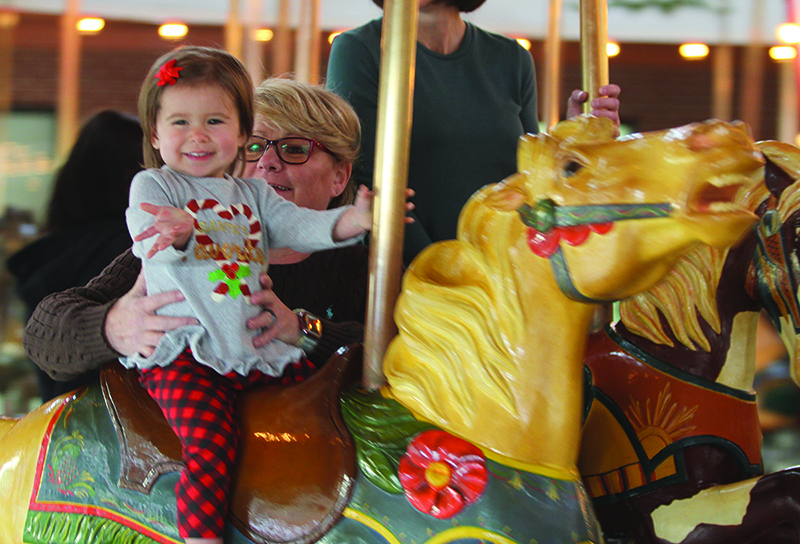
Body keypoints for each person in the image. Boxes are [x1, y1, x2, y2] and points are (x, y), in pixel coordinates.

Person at [127, 46, 380, 543]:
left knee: (330, 402)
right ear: (156, 135)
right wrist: (118, 315)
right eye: (180, 122)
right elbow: (146, 232)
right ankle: (201, 536)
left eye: (293, 148)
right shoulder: (156, 187)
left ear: (340, 176)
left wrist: (354, 221)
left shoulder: (252, 200)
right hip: (187, 354)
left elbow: (301, 227)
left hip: (252, 351)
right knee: (208, 442)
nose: (267, 163)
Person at [326, 0, 621, 264]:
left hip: (505, 267)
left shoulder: (512, 59)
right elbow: (365, 177)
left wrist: (568, 142)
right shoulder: (358, 49)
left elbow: (530, 175)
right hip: (412, 272)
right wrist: (442, 268)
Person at [7, 110, 144, 401]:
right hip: (118, 426)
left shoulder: (45, 257)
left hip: (56, 426)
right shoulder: (131, 245)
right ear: (131, 179)